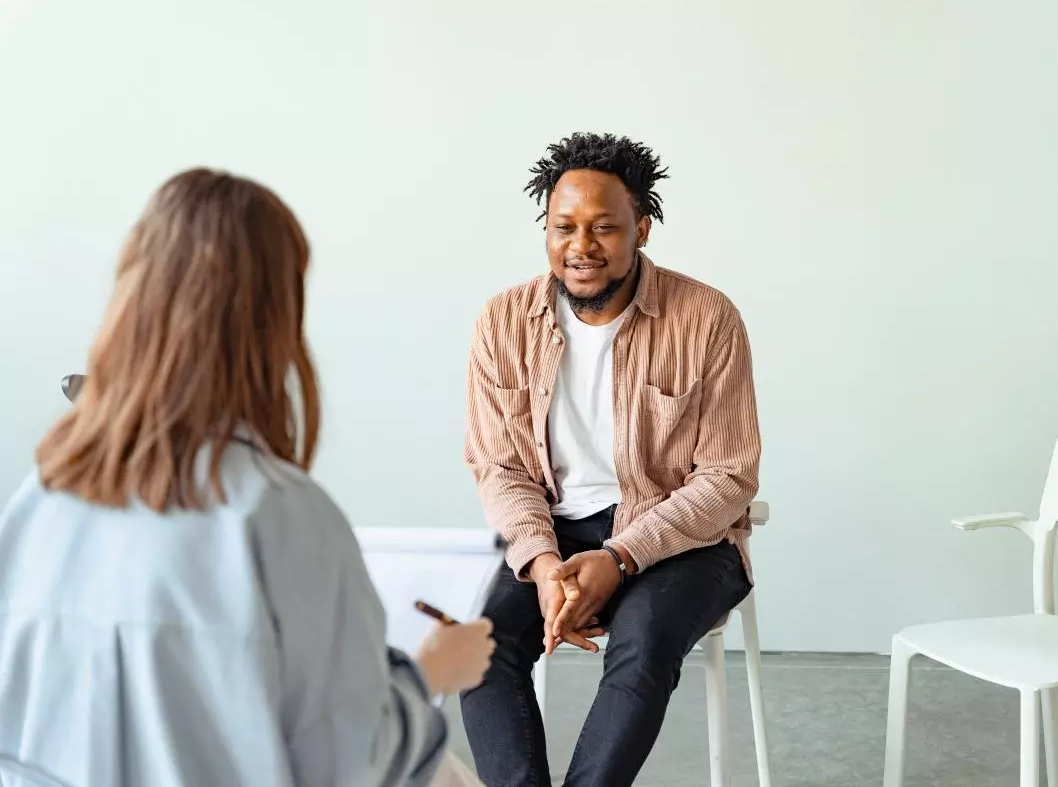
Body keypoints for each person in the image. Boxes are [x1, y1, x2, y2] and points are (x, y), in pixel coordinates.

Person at [0, 169, 494, 787]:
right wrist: (426, 680)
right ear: (273, 321)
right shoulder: (279, 516)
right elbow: (350, 766)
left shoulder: (40, 501)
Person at [461, 133, 762, 786]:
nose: (582, 245)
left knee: (642, 642)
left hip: (681, 539)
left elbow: (729, 474)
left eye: (604, 227)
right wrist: (543, 566)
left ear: (642, 228)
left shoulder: (706, 319)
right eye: (564, 227)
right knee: (481, 648)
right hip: (555, 533)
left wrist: (621, 557)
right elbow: (498, 466)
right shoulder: (502, 322)